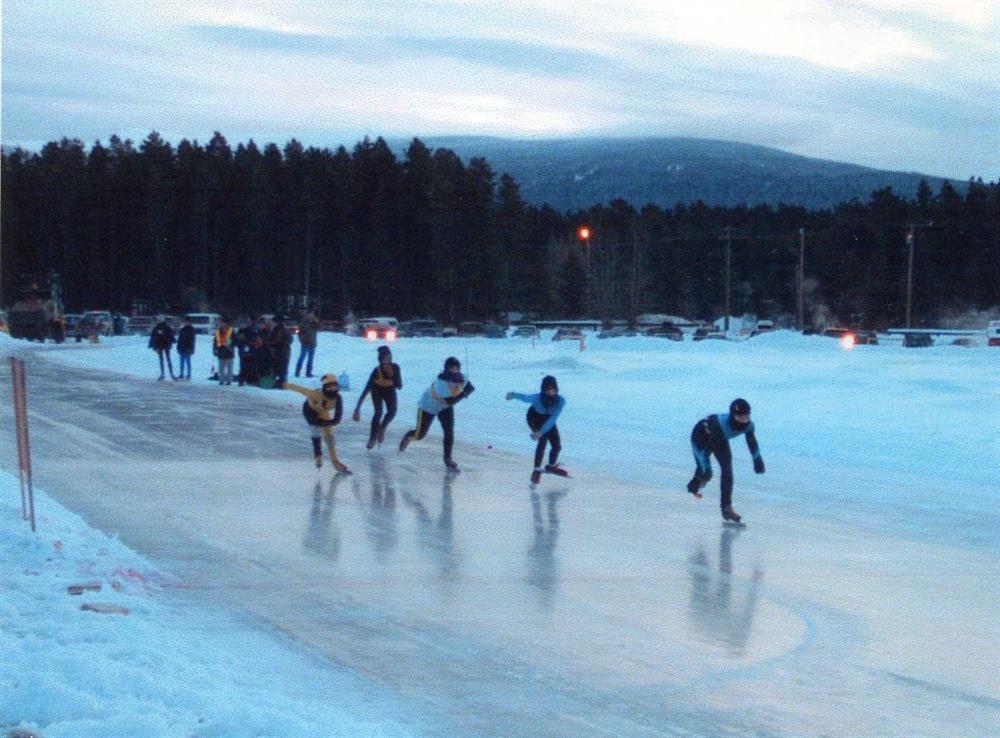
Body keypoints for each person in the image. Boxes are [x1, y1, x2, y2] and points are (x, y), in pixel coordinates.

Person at [686, 398, 765, 524]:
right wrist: (702, 474)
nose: (745, 419)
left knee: (727, 471)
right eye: (741, 416)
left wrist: (757, 459)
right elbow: (706, 452)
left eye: (747, 416)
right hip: (700, 437)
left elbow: (752, 442)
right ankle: (693, 486)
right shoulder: (720, 426)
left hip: (720, 438)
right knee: (706, 472)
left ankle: (726, 508)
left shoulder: (749, 425)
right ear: (734, 416)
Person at [398, 356, 474, 471]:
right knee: (420, 435)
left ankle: (447, 459)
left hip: (445, 408)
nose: (456, 371)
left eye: (457, 368)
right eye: (453, 368)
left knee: (449, 431)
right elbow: (450, 400)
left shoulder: (461, 377)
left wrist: (468, 389)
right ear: (447, 369)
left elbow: (470, 387)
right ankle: (409, 436)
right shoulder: (441, 383)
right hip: (429, 406)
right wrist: (464, 393)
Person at [506, 375, 567, 485]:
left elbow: (553, 418)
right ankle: (536, 470)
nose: (551, 392)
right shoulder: (537, 398)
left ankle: (551, 466)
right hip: (534, 418)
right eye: (548, 389)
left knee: (557, 445)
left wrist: (542, 431)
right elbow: (525, 398)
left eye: (554, 389)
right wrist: (513, 395)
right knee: (542, 441)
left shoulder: (560, 401)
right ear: (543, 390)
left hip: (548, 420)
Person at [284, 374, 349, 472]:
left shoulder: (338, 398)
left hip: (323, 413)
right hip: (310, 413)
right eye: (330, 388)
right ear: (325, 388)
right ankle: (318, 456)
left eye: (335, 387)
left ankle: (335, 461)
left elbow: (337, 418)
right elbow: (299, 389)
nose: (333, 390)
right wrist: (284, 384)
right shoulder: (315, 394)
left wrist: (329, 423)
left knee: (329, 436)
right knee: (316, 431)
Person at [353, 345, 403, 449]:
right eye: (386, 358)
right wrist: (357, 408)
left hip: (389, 390)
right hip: (377, 391)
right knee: (378, 412)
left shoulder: (395, 367)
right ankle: (372, 438)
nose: (388, 360)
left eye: (390, 357)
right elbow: (366, 389)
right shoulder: (376, 371)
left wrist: (393, 376)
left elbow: (399, 386)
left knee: (392, 411)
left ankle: (382, 428)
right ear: (381, 360)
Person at [148, 316, 176, 381]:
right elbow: (153, 337)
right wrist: (152, 345)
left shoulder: (163, 327)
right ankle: (165, 374)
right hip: (162, 346)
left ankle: (168, 374)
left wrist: (152, 344)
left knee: (165, 360)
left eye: (160, 320)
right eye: (159, 320)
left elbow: (170, 335)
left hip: (164, 345)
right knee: (164, 360)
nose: (159, 321)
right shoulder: (158, 328)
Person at [268, 314, 292, 384]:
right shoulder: (284, 328)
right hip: (284, 351)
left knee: (280, 366)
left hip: (280, 351)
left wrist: (269, 343)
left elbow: (277, 340)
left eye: (273, 321)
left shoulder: (279, 329)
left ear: (276, 322)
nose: (272, 323)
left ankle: (281, 382)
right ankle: (282, 381)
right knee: (283, 367)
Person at [294, 310, 319, 378]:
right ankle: (297, 372)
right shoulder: (303, 322)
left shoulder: (315, 322)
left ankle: (308, 373)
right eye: (310, 315)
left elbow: (318, 328)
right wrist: (301, 339)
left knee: (310, 359)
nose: (311, 316)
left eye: (313, 315)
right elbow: (298, 331)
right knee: (302, 357)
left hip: (312, 343)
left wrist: (316, 322)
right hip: (305, 343)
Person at [213, 317, 236, 385]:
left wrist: (231, 343)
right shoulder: (218, 332)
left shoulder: (231, 331)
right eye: (221, 323)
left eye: (223, 322)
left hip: (229, 352)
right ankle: (221, 380)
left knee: (229, 369)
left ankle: (229, 381)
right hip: (221, 352)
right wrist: (215, 349)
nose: (222, 324)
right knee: (221, 368)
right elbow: (215, 342)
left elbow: (235, 341)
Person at [176, 316, 196, 381]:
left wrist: (192, 348)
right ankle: (181, 374)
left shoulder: (191, 330)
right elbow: (179, 339)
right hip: (182, 348)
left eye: (187, 322)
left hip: (188, 348)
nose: (186, 323)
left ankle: (189, 375)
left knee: (188, 362)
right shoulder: (182, 329)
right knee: (181, 362)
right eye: (185, 322)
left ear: (189, 322)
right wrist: (178, 347)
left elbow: (192, 340)